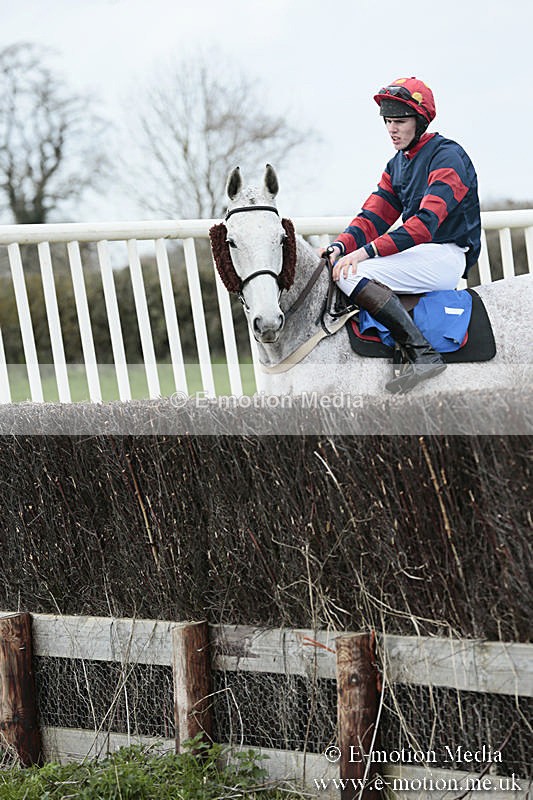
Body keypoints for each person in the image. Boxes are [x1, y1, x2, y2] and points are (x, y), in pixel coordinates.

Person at [322, 77, 481, 393]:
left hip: (446, 255)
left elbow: (424, 225)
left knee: (351, 274)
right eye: (388, 122)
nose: (392, 129)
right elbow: (372, 217)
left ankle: (422, 354)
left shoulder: (447, 156)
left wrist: (362, 253)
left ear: (419, 121)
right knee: (340, 265)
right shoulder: (397, 165)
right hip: (423, 255)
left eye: (400, 121)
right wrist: (339, 245)